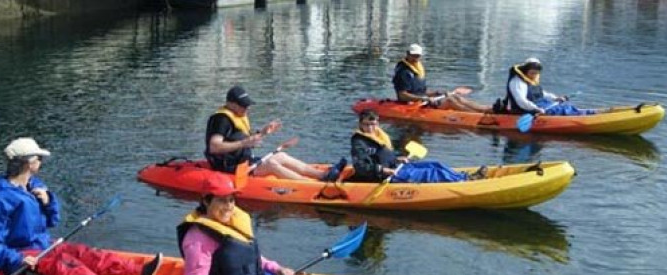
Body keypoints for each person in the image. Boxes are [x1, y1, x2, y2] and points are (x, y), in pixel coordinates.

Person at [177, 172, 406, 275]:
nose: (228, 206)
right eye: (221, 200)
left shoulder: (233, 220)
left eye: (231, 199)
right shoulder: (198, 238)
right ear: (206, 201)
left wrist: (276, 268)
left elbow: (249, 256)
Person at [0, 137, 162, 275]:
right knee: (63, 264)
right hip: (20, 254)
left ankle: (138, 271)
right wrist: (15, 259)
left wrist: (48, 201)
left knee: (83, 253)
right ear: (28, 163)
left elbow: (52, 221)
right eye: (39, 158)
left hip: (42, 245)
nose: (41, 161)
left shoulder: (35, 187)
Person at [205, 85, 346, 181]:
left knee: (281, 156)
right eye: (244, 105)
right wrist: (244, 143)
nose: (247, 108)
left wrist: (264, 132)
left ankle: (323, 175)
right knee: (272, 165)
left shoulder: (237, 115)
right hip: (231, 168)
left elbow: (246, 141)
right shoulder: (221, 119)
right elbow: (214, 147)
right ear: (232, 104)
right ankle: (308, 184)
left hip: (245, 162)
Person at [348, 110, 486, 183]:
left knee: (435, 165)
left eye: (374, 124)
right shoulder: (359, 142)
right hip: (385, 176)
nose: (371, 128)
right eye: (367, 125)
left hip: (395, 167)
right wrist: (384, 170)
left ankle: (464, 176)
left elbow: (382, 155)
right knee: (431, 173)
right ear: (360, 124)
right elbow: (361, 166)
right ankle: (465, 181)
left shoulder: (379, 135)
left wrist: (397, 159)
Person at [392, 43, 492, 113]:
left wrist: (437, 93)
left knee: (455, 97)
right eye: (413, 55)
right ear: (407, 54)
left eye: (418, 56)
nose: (415, 58)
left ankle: (487, 109)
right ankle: (478, 116)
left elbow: (421, 91)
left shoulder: (416, 68)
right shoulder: (403, 72)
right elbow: (402, 95)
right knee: (450, 101)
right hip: (411, 106)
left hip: (422, 101)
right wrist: (424, 98)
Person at [503, 57, 595, 115]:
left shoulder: (531, 79)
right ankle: (588, 114)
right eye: (532, 73)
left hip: (540, 104)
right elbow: (521, 101)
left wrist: (555, 98)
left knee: (565, 106)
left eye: (536, 73)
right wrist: (536, 109)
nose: (534, 75)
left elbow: (539, 93)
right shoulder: (517, 82)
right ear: (525, 70)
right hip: (525, 109)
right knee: (559, 110)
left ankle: (589, 113)